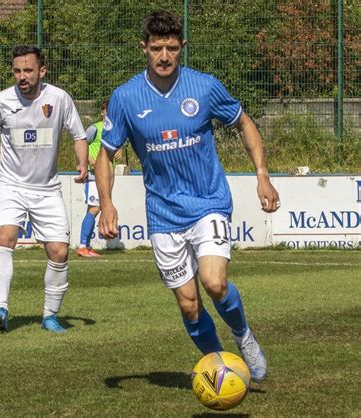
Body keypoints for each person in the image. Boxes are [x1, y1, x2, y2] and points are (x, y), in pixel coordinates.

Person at [95, 11, 280, 382]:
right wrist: (106, 203)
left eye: (172, 48)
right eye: (157, 48)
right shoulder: (126, 97)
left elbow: (244, 123)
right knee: (189, 304)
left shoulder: (204, 86)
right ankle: (222, 368)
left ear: (182, 49)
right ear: (143, 48)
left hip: (208, 201)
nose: (164, 56)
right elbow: (106, 153)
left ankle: (244, 336)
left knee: (214, 283)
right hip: (163, 213)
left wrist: (262, 175)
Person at [0, 45, 88, 333]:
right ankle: (0, 307)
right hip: (10, 185)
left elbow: (79, 134)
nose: (21, 76)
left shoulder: (59, 99)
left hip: (47, 190)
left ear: (42, 71)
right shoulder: (1, 101)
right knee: (4, 237)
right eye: (17, 71)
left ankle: (50, 315)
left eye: (27, 70)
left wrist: (82, 162)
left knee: (60, 252)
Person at [76, 100, 122, 257]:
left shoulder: (116, 130)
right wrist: (89, 160)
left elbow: (114, 148)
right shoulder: (95, 128)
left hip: (108, 176)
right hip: (94, 175)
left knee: (100, 207)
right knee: (94, 208)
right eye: (106, 111)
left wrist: (119, 152)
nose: (109, 114)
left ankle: (86, 246)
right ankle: (83, 246)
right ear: (102, 112)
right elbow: (81, 144)